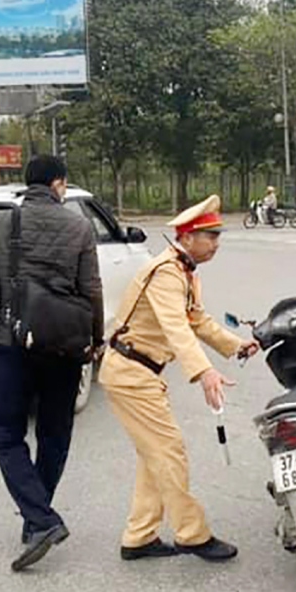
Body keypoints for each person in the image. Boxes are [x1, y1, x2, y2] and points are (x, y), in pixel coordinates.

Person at [101, 195, 260, 563]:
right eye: (209, 236)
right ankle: (192, 534)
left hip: (139, 372)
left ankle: (139, 537)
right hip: (131, 373)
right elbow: (176, 328)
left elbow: (197, 320)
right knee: (170, 452)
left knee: (154, 456)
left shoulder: (183, 270)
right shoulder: (166, 273)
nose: (216, 243)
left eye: (217, 236)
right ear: (186, 237)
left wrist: (236, 347)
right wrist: (204, 372)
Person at [0, 154, 105, 572]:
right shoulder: (79, 226)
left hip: (10, 346)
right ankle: (39, 518)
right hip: (64, 348)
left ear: (26, 184)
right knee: (54, 434)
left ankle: (40, 519)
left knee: (8, 437)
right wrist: (95, 341)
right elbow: (91, 290)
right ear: (58, 184)